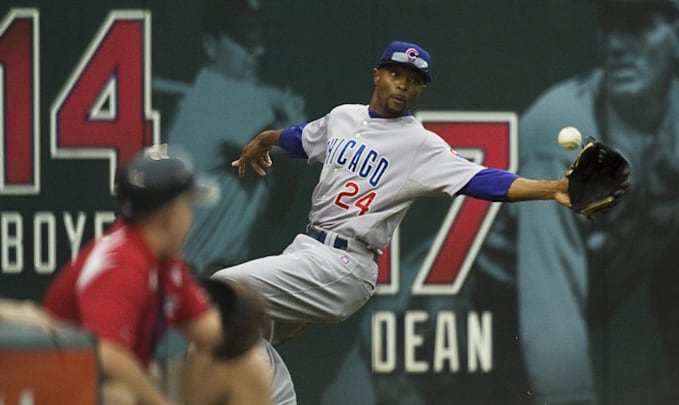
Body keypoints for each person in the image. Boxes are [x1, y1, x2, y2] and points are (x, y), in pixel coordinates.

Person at [212, 40, 588, 401]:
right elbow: (300, 138)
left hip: (345, 263)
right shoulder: (344, 117)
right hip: (307, 249)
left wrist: (552, 187)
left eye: (415, 81)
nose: (404, 85)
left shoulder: (419, 144)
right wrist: (266, 138)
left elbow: (482, 179)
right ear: (377, 75)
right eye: (397, 74)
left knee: (223, 291)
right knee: (245, 326)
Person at [476, 0, 679, 403]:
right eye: (611, 27)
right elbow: (553, 323)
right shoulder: (559, 132)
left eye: (639, 28)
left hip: (522, 345)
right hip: (449, 325)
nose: (619, 45)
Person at [42, 145, 273, 405]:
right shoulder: (120, 263)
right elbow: (106, 355)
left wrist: (240, 323)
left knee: (244, 364)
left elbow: (207, 332)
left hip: (100, 384)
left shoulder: (165, 262)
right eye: (188, 207)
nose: (191, 219)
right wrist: (159, 401)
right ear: (169, 217)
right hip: (53, 390)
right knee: (117, 396)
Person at [163, 0, 306, 275]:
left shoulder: (221, 99)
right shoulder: (223, 96)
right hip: (193, 275)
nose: (257, 52)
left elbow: (278, 209)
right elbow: (296, 143)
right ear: (211, 45)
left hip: (202, 273)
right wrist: (288, 111)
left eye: (258, 40)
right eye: (244, 42)